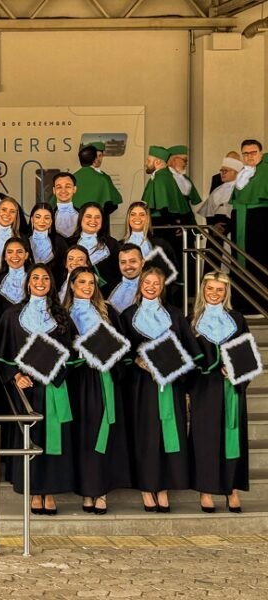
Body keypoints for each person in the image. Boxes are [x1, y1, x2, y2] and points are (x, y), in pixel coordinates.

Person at [0, 264, 75, 515]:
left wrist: (55, 371)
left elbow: (72, 353)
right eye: (35, 278)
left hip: (52, 386)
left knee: (51, 440)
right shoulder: (11, 315)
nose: (40, 282)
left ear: (52, 284)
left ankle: (49, 491)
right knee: (30, 439)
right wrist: (15, 375)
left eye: (45, 278)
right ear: (28, 283)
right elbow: (0, 353)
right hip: (25, 388)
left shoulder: (62, 316)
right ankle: (32, 490)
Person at [121, 266, 201, 512]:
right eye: (148, 283)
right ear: (140, 285)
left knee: (169, 434)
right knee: (147, 435)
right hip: (141, 387)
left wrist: (177, 368)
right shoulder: (128, 315)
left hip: (171, 385)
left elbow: (192, 352)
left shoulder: (175, 315)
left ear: (163, 287)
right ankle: (147, 487)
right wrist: (136, 361)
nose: (151, 287)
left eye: (157, 284)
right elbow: (122, 351)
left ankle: (164, 487)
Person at [63, 267, 132, 515]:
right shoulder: (63, 314)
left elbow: (123, 345)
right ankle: (86, 489)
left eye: (91, 282)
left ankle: (100, 491)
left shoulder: (107, 311)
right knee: (82, 434)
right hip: (78, 380)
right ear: (72, 285)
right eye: (82, 282)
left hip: (103, 378)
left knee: (102, 433)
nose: (87, 287)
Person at [189, 272, 250, 513]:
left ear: (226, 293)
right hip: (205, 389)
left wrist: (235, 369)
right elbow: (188, 357)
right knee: (206, 439)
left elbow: (246, 352)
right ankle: (206, 490)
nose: (214, 293)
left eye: (219, 290)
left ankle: (231, 489)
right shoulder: (192, 321)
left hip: (231, 388)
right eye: (210, 289)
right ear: (203, 290)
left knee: (231, 438)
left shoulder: (237, 319)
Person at [67, 203, 119, 296]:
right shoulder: (68, 243)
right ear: (80, 218)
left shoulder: (112, 244)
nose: (93, 220)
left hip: (105, 298)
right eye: (88, 216)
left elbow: (117, 275)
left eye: (97, 217)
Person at [231, 139, 267, 270]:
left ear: (261, 154)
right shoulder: (242, 172)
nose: (249, 156)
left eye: (253, 153)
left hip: (259, 219)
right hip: (240, 217)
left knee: (258, 257)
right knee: (238, 256)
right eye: (245, 153)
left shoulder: (265, 170)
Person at [70, 145, 122, 234]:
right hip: (99, 229)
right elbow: (113, 204)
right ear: (94, 159)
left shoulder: (71, 179)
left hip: (76, 229)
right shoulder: (103, 179)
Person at [198, 155, 243, 234]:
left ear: (236, 172)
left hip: (234, 228)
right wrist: (213, 226)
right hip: (216, 230)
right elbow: (208, 212)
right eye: (221, 170)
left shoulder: (241, 189)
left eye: (226, 170)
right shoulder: (217, 190)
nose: (222, 173)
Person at [28, 203, 68, 281]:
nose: (42, 221)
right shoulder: (23, 240)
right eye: (38, 217)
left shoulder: (60, 242)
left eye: (46, 218)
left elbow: (64, 269)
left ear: (51, 221)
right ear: (32, 219)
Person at [108, 243, 145, 314]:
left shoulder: (150, 288)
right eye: (123, 262)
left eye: (133, 261)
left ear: (142, 262)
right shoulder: (110, 285)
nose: (128, 266)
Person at [51, 172, 81, 239]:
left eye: (67, 186)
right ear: (54, 190)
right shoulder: (48, 216)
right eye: (59, 187)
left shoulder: (83, 215)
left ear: (74, 189)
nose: (63, 190)